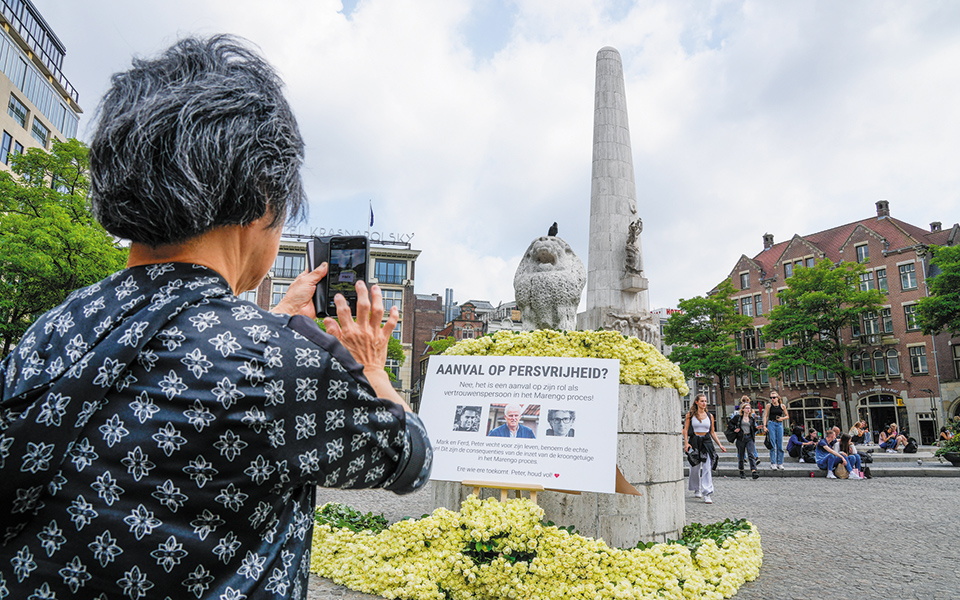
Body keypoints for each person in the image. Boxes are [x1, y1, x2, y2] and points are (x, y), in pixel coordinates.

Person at [0, 36, 432, 599]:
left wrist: (267, 323)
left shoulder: (50, 330)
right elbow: (408, 459)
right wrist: (371, 363)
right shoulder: (278, 362)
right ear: (262, 198)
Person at [683, 394, 727, 504]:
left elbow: (712, 432)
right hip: (694, 441)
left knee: (707, 466)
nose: (704, 403)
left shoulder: (709, 416)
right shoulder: (690, 415)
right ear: (697, 402)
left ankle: (707, 492)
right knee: (695, 467)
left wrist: (720, 444)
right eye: (702, 401)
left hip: (706, 442)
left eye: (705, 401)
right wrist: (686, 443)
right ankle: (696, 488)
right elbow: (685, 430)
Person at [729, 400, 760, 479]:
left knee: (751, 454)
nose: (748, 410)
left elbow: (753, 428)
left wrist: (757, 428)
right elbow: (730, 424)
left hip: (749, 438)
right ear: (742, 409)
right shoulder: (738, 417)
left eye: (749, 408)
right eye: (746, 408)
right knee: (741, 455)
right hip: (741, 438)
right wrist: (735, 429)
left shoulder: (751, 419)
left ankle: (754, 471)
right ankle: (742, 470)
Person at [763, 391, 788, 470]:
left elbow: (787, 416)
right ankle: (773, 463)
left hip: (779, 424)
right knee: (772, 445)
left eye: (774, 397)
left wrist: (782, 418)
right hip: (771, 424)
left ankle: (780, 463)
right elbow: (765, 416)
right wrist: (764, 426)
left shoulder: (782, 406)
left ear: (778, 398)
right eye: (771, 398)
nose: (772, 399)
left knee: (780, 445)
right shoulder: (769, 405)